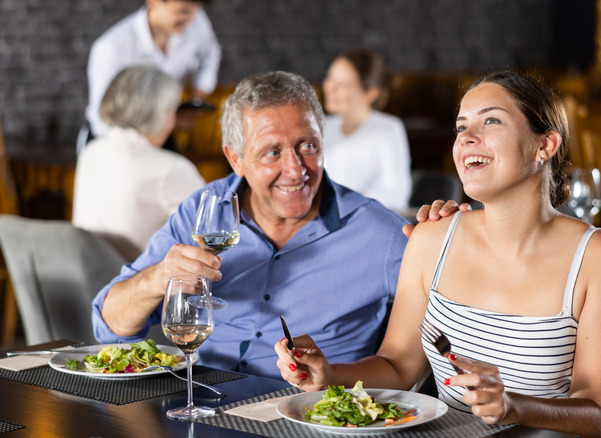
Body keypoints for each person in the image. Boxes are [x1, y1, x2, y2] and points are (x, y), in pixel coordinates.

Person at [274, 71, 601, 437]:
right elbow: (398, 367)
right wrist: (328, 374)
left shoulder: (600, 258)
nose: (467, 138)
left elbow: (598, 417)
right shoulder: (431, 238)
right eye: (461, 127)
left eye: (491, 120)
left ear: (546, 145)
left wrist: (512, 406)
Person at [90, 71, 411, 379]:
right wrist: (158, 278)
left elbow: (445, 321)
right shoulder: (204, 209)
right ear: (235, 159)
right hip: (202, 402)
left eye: (308, 146)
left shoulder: (380, 232)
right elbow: (108, 326)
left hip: (308, 417)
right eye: (272, 153)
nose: (296, 170)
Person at [73, 65, 205, 261]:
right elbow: (215, 228)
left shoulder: (91, 151)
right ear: (161, 112)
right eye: (172, 110)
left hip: (88, 277)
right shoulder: (170, 168)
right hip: (138, 283)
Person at [83, 0, 221, 147]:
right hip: (114, 141)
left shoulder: (195, 21)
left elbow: (211, 53)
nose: (192, 19)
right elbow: (101, 121)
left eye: (197, 11)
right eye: (183, 11)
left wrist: (198, 94)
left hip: (162, 134)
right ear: (153, 2)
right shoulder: (111, 49)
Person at [321, 49, 412, 212]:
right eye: (329, 78)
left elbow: (398, 196)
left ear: (370, 93)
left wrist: (348, 199)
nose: (330, 88)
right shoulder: (323, 126)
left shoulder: (388, 129)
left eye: (342, 85)